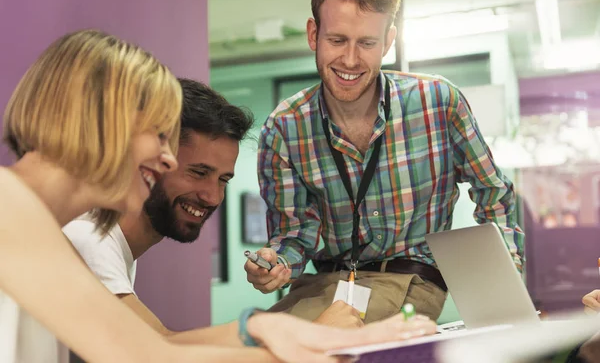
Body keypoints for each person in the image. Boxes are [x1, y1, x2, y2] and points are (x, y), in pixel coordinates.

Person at [0, 29, 436, 363]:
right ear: (101, 122)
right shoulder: (10, 205)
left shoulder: (39, 226)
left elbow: (150, 350)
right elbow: (144, 355)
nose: (167, 159)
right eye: (157, 133)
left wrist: (265, 332)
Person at [245, 0, 524, 324]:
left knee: (316, 343)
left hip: (411, 279)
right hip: (324, 284)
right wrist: (276, 265)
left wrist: (504, 291)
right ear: (314, 35)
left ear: (388, 42)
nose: (349, 59)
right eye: (337, 40)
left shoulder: (437, 101)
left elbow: (494, 193)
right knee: (253, 336)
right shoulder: (283, 128)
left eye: (367, 43)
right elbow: (294, 235)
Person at [63, 77, 370, 351]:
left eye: (223, 179)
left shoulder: (113, 249)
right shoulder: (90, 239)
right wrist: (305, 335)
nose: (212, 196)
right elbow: (159, 350)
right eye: (198, 172)